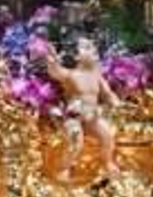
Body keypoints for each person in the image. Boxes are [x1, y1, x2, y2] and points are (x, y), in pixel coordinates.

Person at [41, 36, 119, 179]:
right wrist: (52, 61)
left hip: (92, 117)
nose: (94, 50)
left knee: (108, 135)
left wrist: (113, 99)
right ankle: (63, 168)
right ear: (77, 56)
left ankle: (107, 162)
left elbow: (107, 92)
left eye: (93, 47)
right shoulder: (72, 75)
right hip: (74, 117)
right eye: (87, 48)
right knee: (76, 141)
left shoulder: (96, 75)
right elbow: (56, 72)